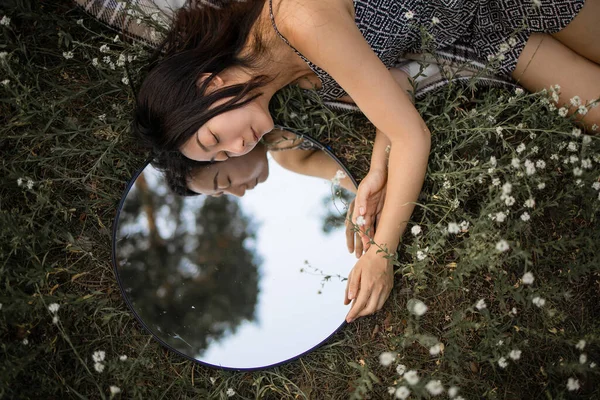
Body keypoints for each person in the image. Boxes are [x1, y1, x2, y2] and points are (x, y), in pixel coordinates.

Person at [132, 0, 600, 323]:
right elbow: (393, 88)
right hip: (487, 34)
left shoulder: (299, 20)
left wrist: (382, 253)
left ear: (210, 86)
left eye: (216, 137)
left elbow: (413, 135)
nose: (236, 150)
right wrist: (377, 168)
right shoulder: (293, 78)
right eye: (220, 156)